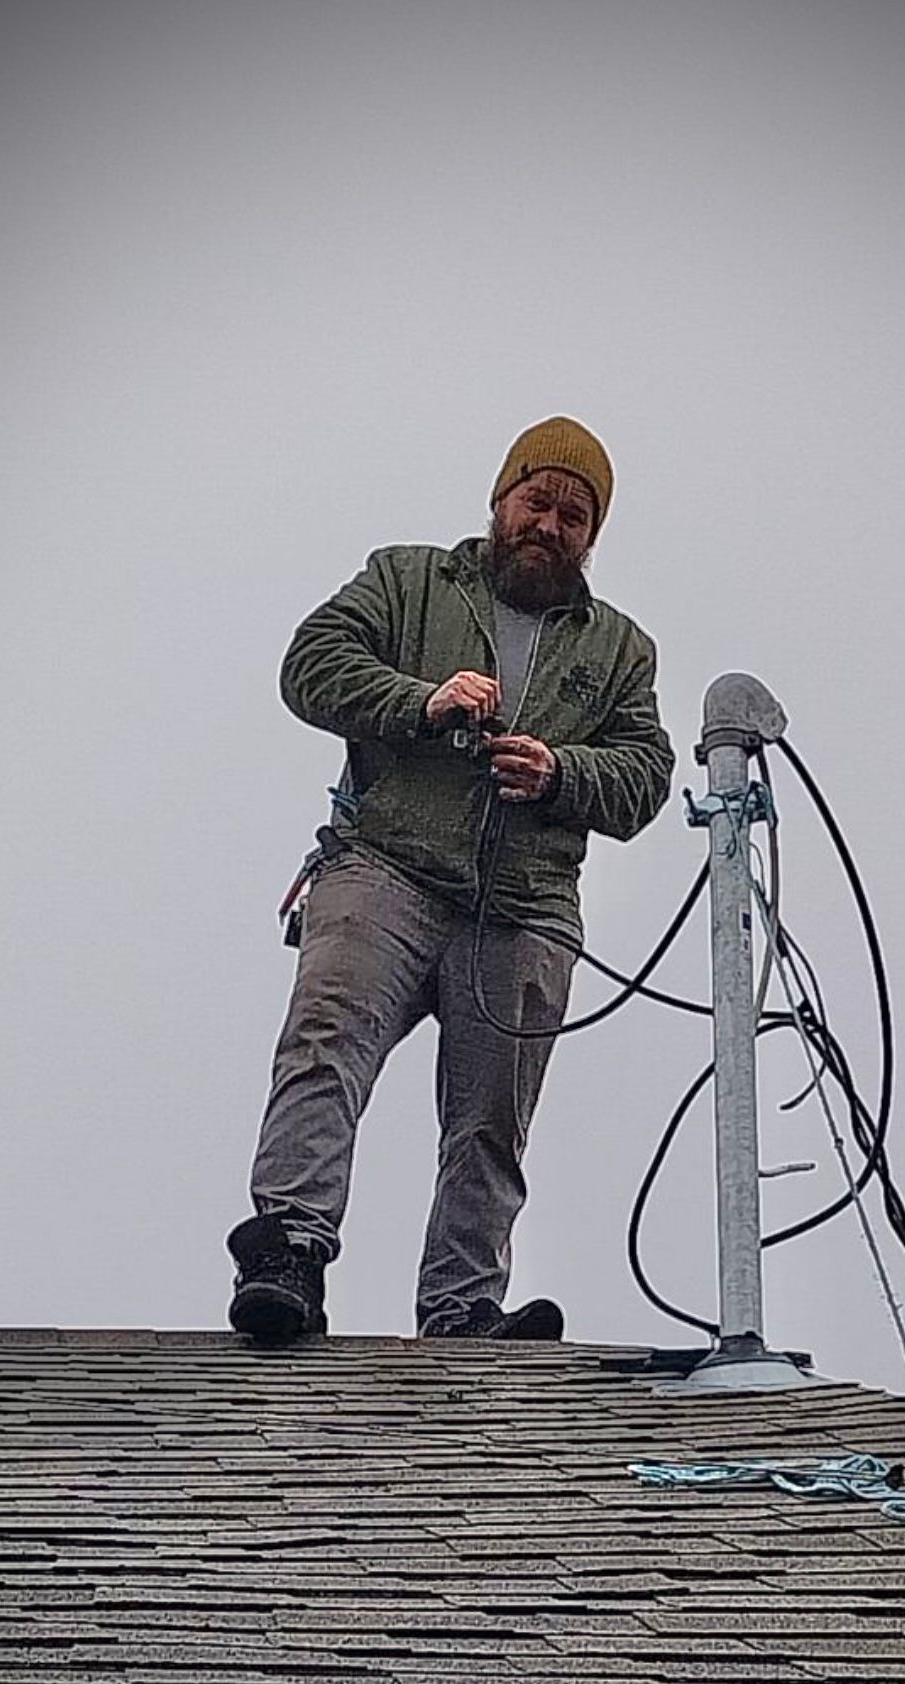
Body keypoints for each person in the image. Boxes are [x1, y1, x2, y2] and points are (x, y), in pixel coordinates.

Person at [227, 416, 675, 1346]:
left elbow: (644, 776)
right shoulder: (405, 578)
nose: (550, 524)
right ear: (499, 499)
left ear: (593, 536)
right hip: (384, 866)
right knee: (324, 1045)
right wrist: (421, 702)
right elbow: (309, 666)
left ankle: (463, 1307)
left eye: (574, 515)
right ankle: (289, 1250)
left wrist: (560, 773)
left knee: (490, 1124)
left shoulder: (621, 650)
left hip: (526, 910)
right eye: (537, 500)